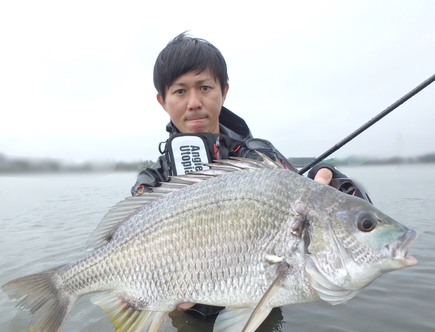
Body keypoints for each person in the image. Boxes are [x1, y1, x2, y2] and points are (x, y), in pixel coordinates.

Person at [131, 32, 369, 315]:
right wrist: (141, 295)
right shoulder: (152, 180)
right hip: (186, 316)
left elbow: (306, 194)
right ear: (163, 100)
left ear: (224, 92)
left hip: (260, 304)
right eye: (180, 91)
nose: (193, 102)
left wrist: (331, 177)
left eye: (205, 88)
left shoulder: (257, 156)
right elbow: (129, 245)